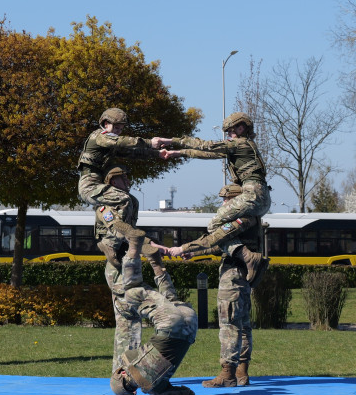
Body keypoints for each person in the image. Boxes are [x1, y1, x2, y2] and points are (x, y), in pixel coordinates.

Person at [168, 183, 265, 387]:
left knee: (229, 324)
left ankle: (227, 374)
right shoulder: (249, 219)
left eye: (227, 199)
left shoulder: (242, 219)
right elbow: (220, 247)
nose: (224, 204)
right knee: (243, 324)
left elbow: (215, 238)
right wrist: (193, 253)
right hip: (242, 274)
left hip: (233, 274)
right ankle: (241, 373)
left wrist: (183, 248)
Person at [157, 111, 270, 285]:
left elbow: (206, 146)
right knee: (224, 231)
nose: (228, 136)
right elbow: (208, 154)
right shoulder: (241, 146)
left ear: (241, 128)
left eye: (231, 131)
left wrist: (170, 141)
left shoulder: (240, 144)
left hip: (251, 195)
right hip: (258, 197)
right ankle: (249, 258)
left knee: (214, 225)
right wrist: (177, 153)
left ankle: (247, 256)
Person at [77, 107, 166, 288]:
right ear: (105, 123)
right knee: (124, 199)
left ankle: (127, 237)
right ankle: (110, 242)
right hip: (90, 184)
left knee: (132, 200)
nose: (118, 130)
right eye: (115, 126)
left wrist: (158, 153)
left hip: (97, 183)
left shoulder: (110, 146)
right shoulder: (100, 136)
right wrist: (150, 142)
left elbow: (132, 152)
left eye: (121, 127)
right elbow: (125, 142)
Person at [106, 256, 198, 395]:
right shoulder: (130, 359)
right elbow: (125, 356)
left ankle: (157, 265)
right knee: (132, 291)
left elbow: (187, 393)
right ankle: (140, 252)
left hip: (190, 325)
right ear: (123, 374)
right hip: (168, 326)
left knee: (173, 302)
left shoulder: (156, 389)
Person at [96, 164, 177, 301]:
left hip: (127, 255)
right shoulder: (107, 205)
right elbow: (119, 228)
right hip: (117, 259)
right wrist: (147, 242)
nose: (128, 181)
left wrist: (152, 244)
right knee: (129, 302)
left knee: (132, 306)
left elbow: (131, 231)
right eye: (124, 178)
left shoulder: (130, 202)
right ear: (114, 182)